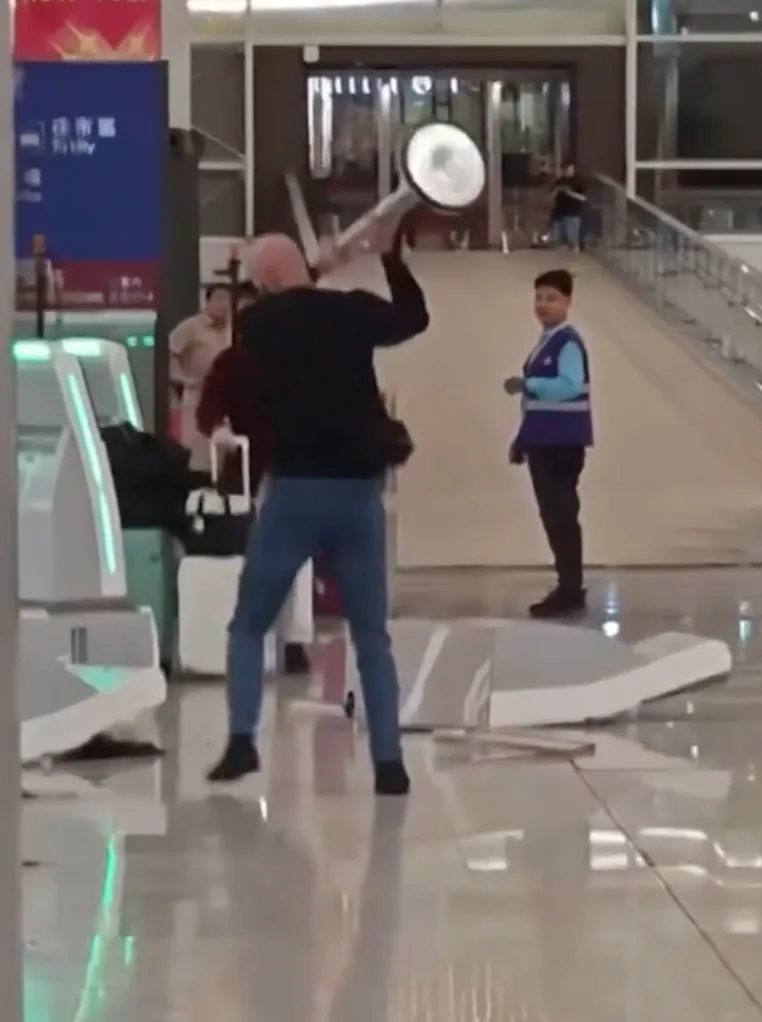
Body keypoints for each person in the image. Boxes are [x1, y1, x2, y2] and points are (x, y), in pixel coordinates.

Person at [206, 223, 429, 796]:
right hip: (358, 490)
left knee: (249, 622)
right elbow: (412, 318)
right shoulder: (350, 311)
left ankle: (240, 743)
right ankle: (388, 763)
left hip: (295, 492)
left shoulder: (256, 325)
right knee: (370, 633)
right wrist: (389, 259)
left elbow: (288, 310)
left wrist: (309, 277)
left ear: (260, 282)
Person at [196, 279, 313, 676]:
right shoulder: (229, 362)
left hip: (289, 467)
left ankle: (294, 640)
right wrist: (219, 432)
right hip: (244, 470)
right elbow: (207, 411)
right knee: (246, 555)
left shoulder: (293, 359)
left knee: (296, 559)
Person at [504, 269, 592, 619]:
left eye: (552, 297)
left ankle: (571, 588)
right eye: (539, 297)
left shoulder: (567, 342)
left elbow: (569, 385)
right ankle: (567, 584)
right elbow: (537, 406)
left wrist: (530, 384)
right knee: (554, 516)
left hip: (561, 444)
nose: (543, 304)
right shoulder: (546, 341)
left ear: (568, 302)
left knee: (561, 516)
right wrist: (523, 440)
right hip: (545, 440)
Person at [169, 283, 231, 470]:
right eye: (219, 299)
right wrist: (181, 377)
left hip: (226, 397)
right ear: (207, 301)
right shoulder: (191, 327)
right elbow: (170, 351)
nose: (224, 304)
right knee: (196, 450)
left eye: (227, 299)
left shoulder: (233, 327)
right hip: (197, 394)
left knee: (222, 450)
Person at [549, 163, 587, 252]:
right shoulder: (558, 181)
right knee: (558, 241)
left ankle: (574, 262)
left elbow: (583, 198)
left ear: (573, 169)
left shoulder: (578, 182)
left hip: (572, 214)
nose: (567, 171)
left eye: (570, 169)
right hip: (558, 215)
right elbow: (550, 197)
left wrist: (570, 193)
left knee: (573, 241)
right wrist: (556, 191)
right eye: (565, 169)